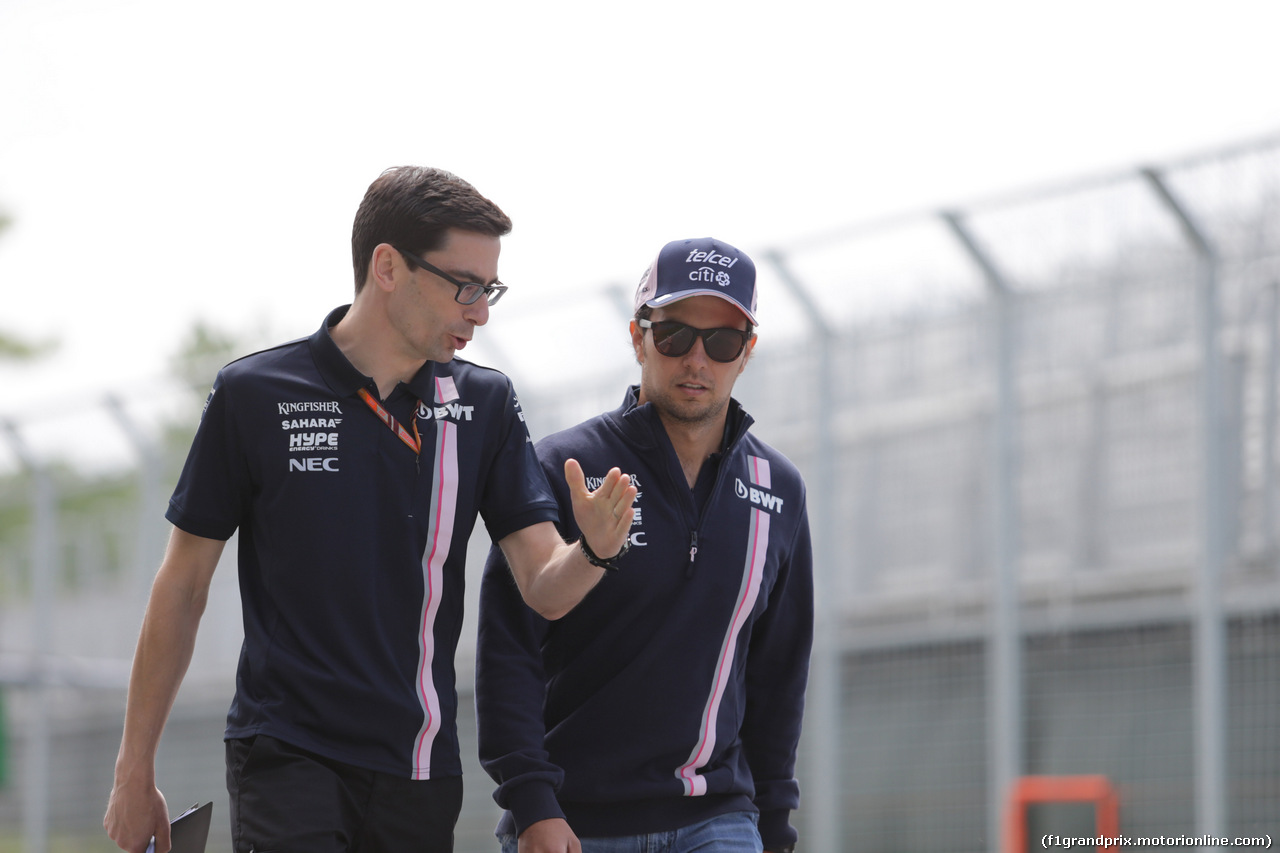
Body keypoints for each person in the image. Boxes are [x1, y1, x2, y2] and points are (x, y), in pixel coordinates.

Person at [103, 166, 637, 853]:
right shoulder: (253, 394)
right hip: (287, 753)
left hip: (420, 770)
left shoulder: (487, 406)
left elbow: (545, 587)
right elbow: (182, 586)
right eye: (464, 286)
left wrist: (593, 549)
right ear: (388, 267)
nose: (480, 311)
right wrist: (132, 767)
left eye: (490, 289)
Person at [476, 237, 814, 853]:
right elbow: (508, 653)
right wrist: (531, 805)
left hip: (720, 821)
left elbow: (778, 674)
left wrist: (774, 825)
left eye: (723, 342)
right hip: (575, 822)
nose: (697, 361)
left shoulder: (779, 490)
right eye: (675, 336)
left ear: (747, 354)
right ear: (638, 338)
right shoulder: (564, 467)